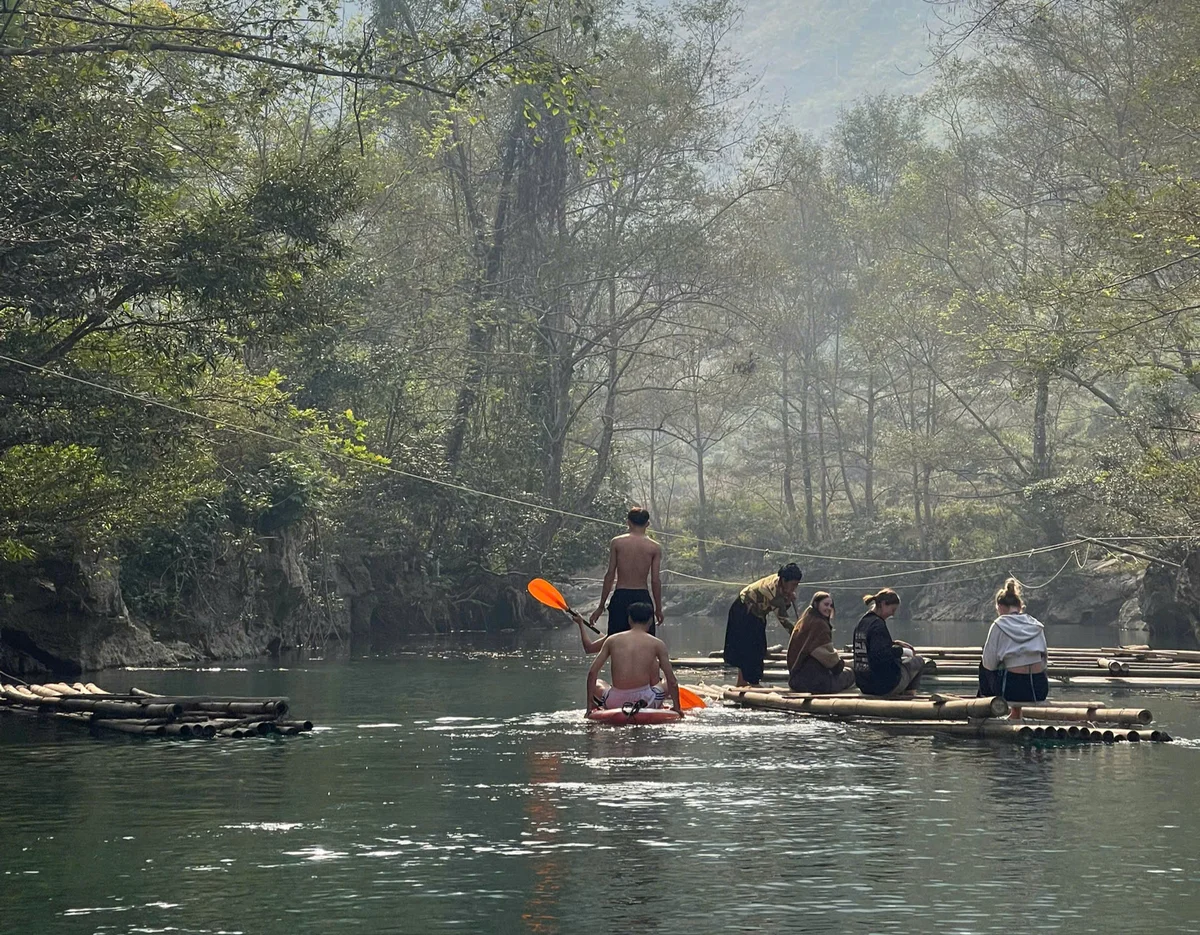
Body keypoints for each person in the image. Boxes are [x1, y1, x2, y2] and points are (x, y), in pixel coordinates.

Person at [586, 602, 682, 715]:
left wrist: (589, 708)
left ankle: (595, 704)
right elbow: (672, 680)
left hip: (614, 701)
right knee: (666, 681)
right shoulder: (657, 644)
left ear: (629, 619)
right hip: (646, 701)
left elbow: (592, 672)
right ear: (651, 620)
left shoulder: (611, 640)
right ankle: (661, 704)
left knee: (598, 682)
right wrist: (677, 708)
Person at [723, 563, 804, 687]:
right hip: (743, 610)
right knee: (747, 648)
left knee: (759, 648)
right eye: (793, 585)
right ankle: (745, 682)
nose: (795, 588)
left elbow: (782, 605)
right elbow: (784, 620)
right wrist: (799, 636)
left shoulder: (781, 584)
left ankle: (749, 681)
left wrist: (787, 596)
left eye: (796, 585)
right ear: (784, 580)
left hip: (757, 614)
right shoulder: (773, 591)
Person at [589, 507, 663, 636]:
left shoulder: (617, 542)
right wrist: (658, 608)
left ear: (628, 522)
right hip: (642, 598)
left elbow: (610, 574)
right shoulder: (654, 547)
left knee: (617, 641)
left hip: (621, 597)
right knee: (645, 641)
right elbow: (655, 580)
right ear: (647, 524)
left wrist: (601, 606)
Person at [978, 577, 1049, 710]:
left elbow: (989, 664)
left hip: (1012, 690)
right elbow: (1044, 661)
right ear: (1019, 607)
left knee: (983, 665)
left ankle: (984, 708)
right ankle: (1016, 714)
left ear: (1000, 606)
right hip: (1039, 690)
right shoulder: (1035, 624)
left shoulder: (999, 625)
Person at [852, 589, 924, 696]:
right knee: (919, 661)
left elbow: (872, 647)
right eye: (893, 609)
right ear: (883, 604)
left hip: (864, 685)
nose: (893, 614)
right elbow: (881, 654)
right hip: (884, 686)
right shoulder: (878, 625)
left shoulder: (862, 623)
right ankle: (909, 695)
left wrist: (894, 643)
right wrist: (903, 651)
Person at [787, 591, 856, 694]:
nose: (828, 608)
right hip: (816, 683)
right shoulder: (820, 624)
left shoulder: (805, 620)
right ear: (816, 604)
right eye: (825, 604)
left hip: (796, 679)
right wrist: (843, 664)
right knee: (851, 674)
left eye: (830, 605)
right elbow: (828, 659)